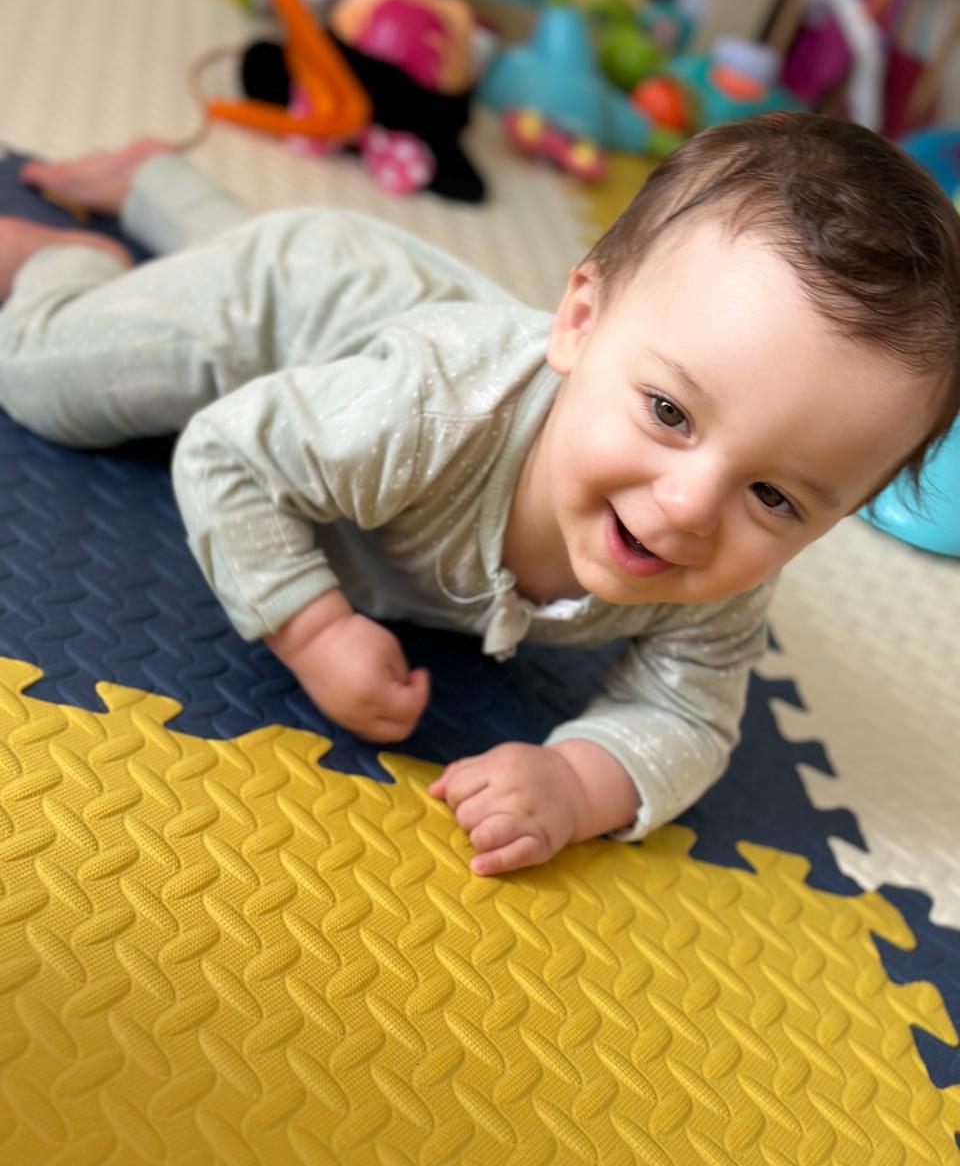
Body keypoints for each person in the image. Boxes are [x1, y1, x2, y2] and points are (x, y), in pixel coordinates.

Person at [1, 114, 958, 877]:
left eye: (777, 499)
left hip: (378, 319)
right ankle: (64, 263)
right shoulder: (432, 409)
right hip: (293, 301)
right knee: (45, 381)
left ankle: (153, 185)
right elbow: (228, 454)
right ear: (579, 323)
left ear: (842, 513)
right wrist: (311, 627)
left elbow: (690, 717)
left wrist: (575, 782)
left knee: (231, 267)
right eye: (669, 411)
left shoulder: (726, 573)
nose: (689, 509)